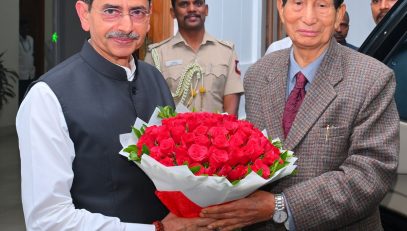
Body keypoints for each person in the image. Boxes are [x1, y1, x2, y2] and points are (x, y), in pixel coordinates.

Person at [200, 0, 399, 230]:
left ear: (338, 14)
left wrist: (280, 205)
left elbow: (370, 175)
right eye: (298, 3)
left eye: (322, 5)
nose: (309, 17)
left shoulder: (372, 78)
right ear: (281, 10)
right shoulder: (258, 75)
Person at [16, 0, 214, 230]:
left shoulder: (155, 78)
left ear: (149, 18)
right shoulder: (48, 96)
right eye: (111, 11)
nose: (127, 25)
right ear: (84, 14)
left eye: (137, 12)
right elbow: (48, 221)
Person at [144, 0, 244, 115]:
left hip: (216, 132)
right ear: (173, 12)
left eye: (198, 3)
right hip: (174, 132)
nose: (192, 9)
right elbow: (150, 108)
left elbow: (231, 113)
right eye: (184, 4)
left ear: (206, 10)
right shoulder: (156, 55)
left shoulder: (227, 53)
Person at [18, 19, 36, 104]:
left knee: (29, 99)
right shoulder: (17, 40)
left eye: (27, 28)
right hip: (21, 76)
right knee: (21, 98)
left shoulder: (30, 39)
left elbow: (31, 54)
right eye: (24, 28)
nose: (26, 30)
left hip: (30, 74)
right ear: (20, 29)